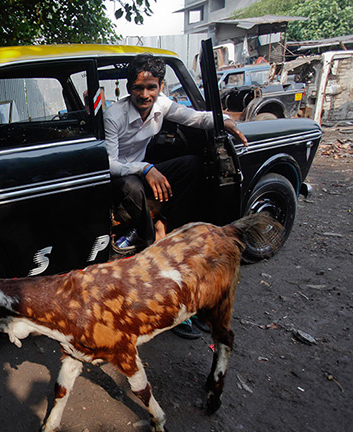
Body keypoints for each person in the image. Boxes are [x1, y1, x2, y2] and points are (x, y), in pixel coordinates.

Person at [104, 54, 248, 339]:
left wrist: (224, 122)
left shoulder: (162, 105)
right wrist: (146, 168)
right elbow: (109, 163)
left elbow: (193, 117)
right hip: (120, 177)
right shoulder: (114, 115)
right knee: (132, 185)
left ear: (160, 86)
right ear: (129, 87)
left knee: (192, 165)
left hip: (144, 171)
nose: (145, 94)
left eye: (151, 87)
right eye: (138, 87)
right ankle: (149, 250)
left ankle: (167, 227)